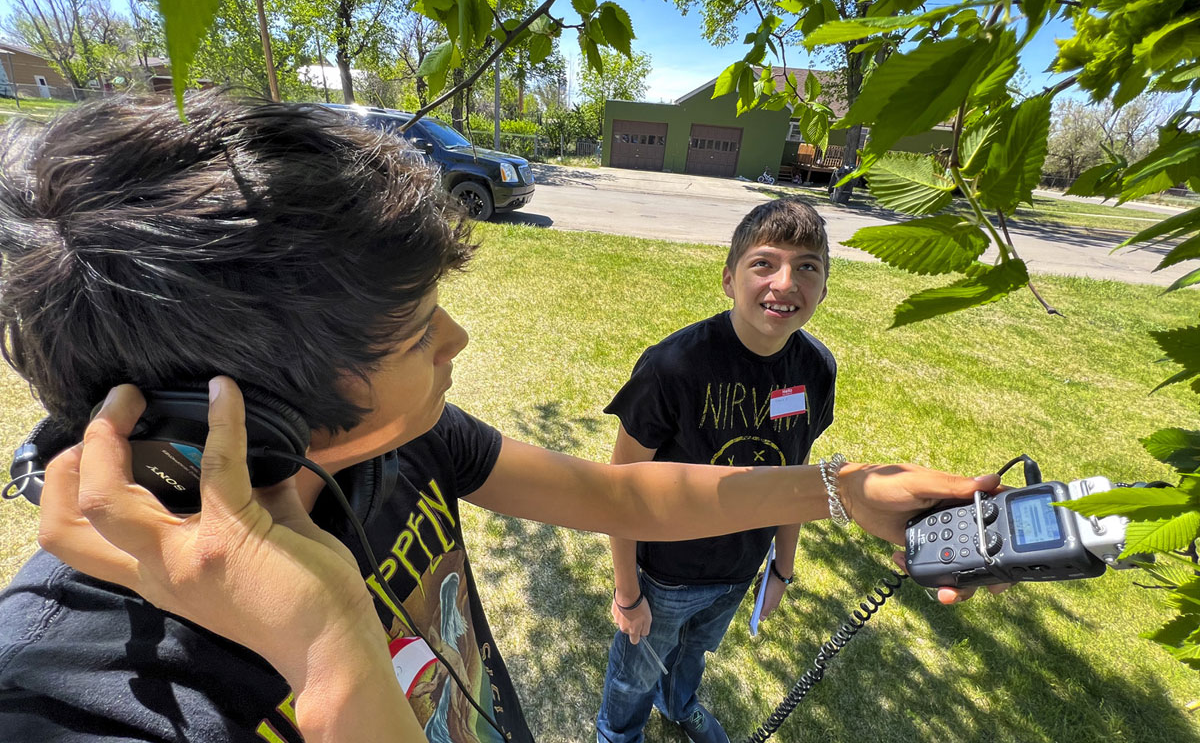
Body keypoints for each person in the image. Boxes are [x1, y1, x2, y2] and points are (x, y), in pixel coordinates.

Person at [0, 94, 1000, 743]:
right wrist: (331, 643)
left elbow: (618, 494)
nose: (458, 339)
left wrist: (841, 489)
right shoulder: (60, 696)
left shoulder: (400, 436)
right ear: (257, 412)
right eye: (415, 331)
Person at [596, 199, 834, 743]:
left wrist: (781, 569)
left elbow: (794, 479)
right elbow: (619, 489)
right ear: (729, 279)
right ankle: (618, 734)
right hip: (665, 573)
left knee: (696, 651)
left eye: (807, 267)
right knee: (635, 672)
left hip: (739, 569)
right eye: (764, 263)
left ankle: (680, 705)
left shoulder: (816, 370)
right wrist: (628, 591)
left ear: (823, 290)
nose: (785, 282)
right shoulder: (673, 366)